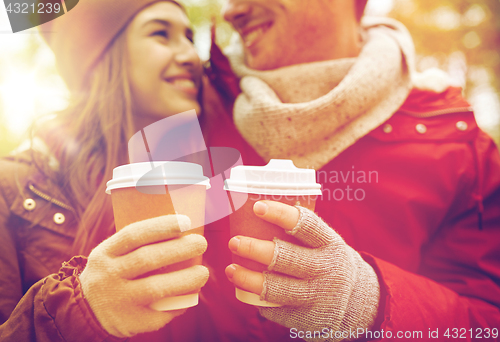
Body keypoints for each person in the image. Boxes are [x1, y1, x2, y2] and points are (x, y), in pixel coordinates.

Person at [200, 0, 500, 340]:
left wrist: (371, 303)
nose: (231, 11)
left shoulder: (461, 148)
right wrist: (124, 325)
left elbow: (486, 324)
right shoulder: (194, 112)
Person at [0, 1, 213, 340]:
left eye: (190, 37)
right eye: (161, 34)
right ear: (99, 57)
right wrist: (82, 311)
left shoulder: (199, 183)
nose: (190, 55)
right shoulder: (11, 189)